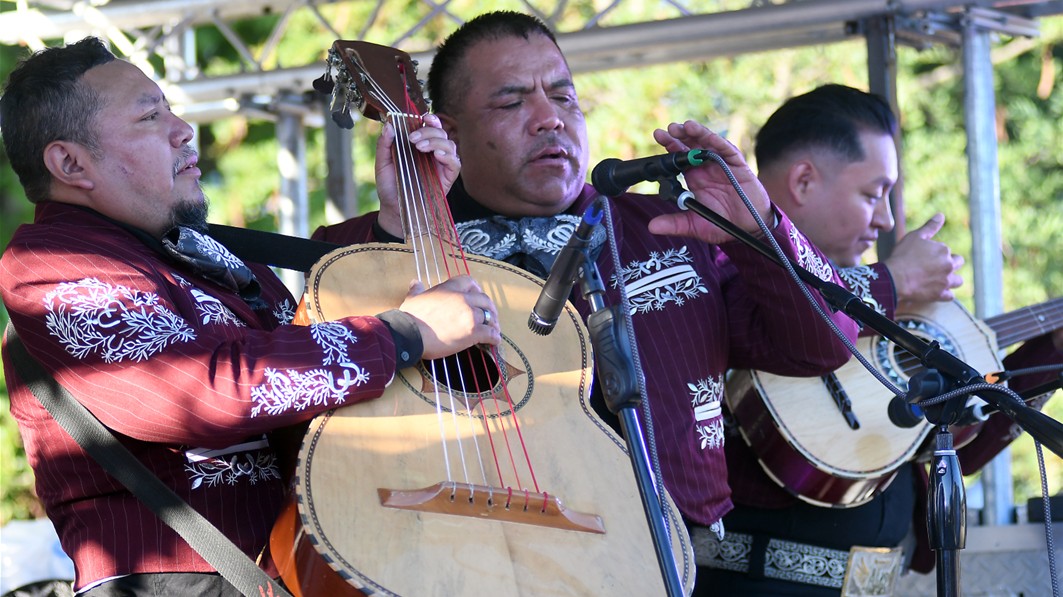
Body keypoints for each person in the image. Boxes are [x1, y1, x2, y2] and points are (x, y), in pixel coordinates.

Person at [313, 9, 861, 552]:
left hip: (668, 553)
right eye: (511, 101)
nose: (549, 117)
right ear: (448, 132)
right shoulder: (373, 239)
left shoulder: (673, 228)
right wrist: (394, 233)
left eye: (564, 96)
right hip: (467, 552)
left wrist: (760, 226)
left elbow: (823, 345)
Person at [0, 37, 502, 595]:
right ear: (70, 162)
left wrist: (395, 220)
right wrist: (404, 333)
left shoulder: (204, 256)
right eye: (150, 116)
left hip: (302, 560)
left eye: (170, 107)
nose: (183, 128)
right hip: (183, 580)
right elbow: (199, 389)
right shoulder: (51, 263)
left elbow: (310, 369)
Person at [697, 83, 1063, 596]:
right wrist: (891, 281)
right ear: (803, 180)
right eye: (873, 194)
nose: (888, 219)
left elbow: (928, 451)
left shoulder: (884, 318)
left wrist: (1052, 354)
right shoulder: (714, 270)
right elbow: (794, 319)